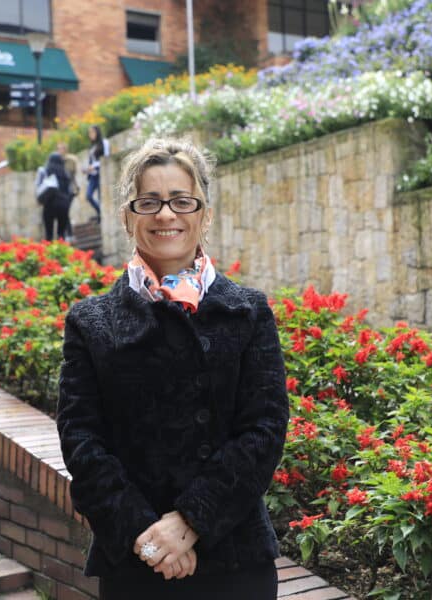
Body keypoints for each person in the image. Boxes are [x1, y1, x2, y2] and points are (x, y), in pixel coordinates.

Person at [57, 137, 289, 600]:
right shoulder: (90, 321)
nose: (166, 215)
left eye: (182, 201)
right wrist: (145, 535)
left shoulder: (248, 311)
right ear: (127, 216)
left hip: (233, 555)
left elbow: (264, 429)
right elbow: (81, 439)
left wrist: (191, 520)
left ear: (205, 215)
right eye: (149, 202)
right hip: (136, 559)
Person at [37, 152, 72, 241]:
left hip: (49, 205)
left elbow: (39, 186)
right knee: (61, 234)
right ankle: (62, 249)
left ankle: (50, 249)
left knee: (49, 235)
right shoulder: (65, 173)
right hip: (63, 205)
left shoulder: (46, 171)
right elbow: (69, 191)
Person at [84, 125, 110, 222]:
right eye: (89, 133)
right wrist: (88, 169)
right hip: (93, 175)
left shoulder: (104, 142)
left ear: (97, 132)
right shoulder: (92, 146)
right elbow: (92, 161)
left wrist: (94, 166)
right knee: (88, 196)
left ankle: (102, 217)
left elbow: (106, 158)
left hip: (100, 173)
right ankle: (100, 212)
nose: (90, 135)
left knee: (100, 197)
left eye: (92, 132)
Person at [57, 141, 80, 241]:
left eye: (61, 148)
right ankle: (69, 234)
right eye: (58, 149)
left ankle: (69, 234)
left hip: (70, 189)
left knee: (64, 211)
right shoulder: (58, 161)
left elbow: (72, 174)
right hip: (62, 191)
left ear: (65, 149)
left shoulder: (70, 160)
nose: (60, 151)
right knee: (64, 212)